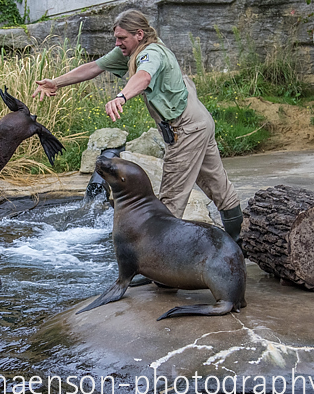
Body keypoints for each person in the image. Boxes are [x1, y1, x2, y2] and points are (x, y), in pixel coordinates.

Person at [32, 9, 244, 242]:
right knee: (218, 186)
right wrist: (56, 82)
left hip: (186, 129)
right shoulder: (132, 49)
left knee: (170, 202)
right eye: (116, 38)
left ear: (139, 34)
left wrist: (121, 97)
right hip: (200, 122)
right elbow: (95, 67)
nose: (117, 43)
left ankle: (161, 259)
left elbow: (144, 77)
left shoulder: (151, 53)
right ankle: (238, 244)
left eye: (122, 38)